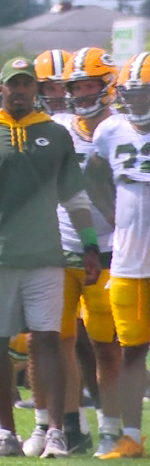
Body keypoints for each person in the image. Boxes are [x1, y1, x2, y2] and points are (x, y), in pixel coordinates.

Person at [0, 56, 101, 458]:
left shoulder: (55, 133)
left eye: (26, 84)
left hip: (45, 256)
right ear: (0, 88)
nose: (20, 91)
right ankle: (2, 433)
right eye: (12, 84)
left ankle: (55, 432)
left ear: (36, 89)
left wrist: (88, 245)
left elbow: (74, 196)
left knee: (47, 341)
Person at [19, 47, 121, 457]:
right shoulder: (55, 127)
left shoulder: (123, 131)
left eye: (86, 86)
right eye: (73, 87)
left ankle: (113, 429)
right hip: (58, 249)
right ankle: (64, 428)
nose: (78, 94)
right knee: (51, 342)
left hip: (113, 249)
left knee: (108, 346)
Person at [90, 52, 150, 458]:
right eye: (129, 93)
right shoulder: (110, 129)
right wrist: (111, 212)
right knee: (131, 349)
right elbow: (92, 173)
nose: (134, 101)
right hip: (129, 258)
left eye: (143, 93)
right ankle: (131, 435)